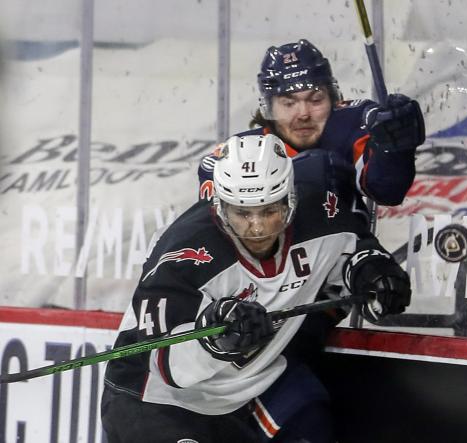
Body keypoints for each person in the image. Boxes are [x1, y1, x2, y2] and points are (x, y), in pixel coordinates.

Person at [101, 134, 411, 443]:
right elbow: (166, 366)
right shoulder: (183, 253)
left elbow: (355, 250)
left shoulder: (319, 215)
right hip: (155, 399)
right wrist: (217, 338)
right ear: (221, 206)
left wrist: (374, 273)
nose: (258, 227)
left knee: (312, 421)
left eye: (269, 210)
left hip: (244, 395)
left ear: (290, 198)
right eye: (243, 213)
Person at [198, 38, 425, 210]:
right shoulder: (243, 152)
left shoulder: (350, 127)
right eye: (288, 103)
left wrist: (394, 149)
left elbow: (388, 190)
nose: (303, 113)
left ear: (334, 99)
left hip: (342, 266)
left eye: (316, 99)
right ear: (268, 109)